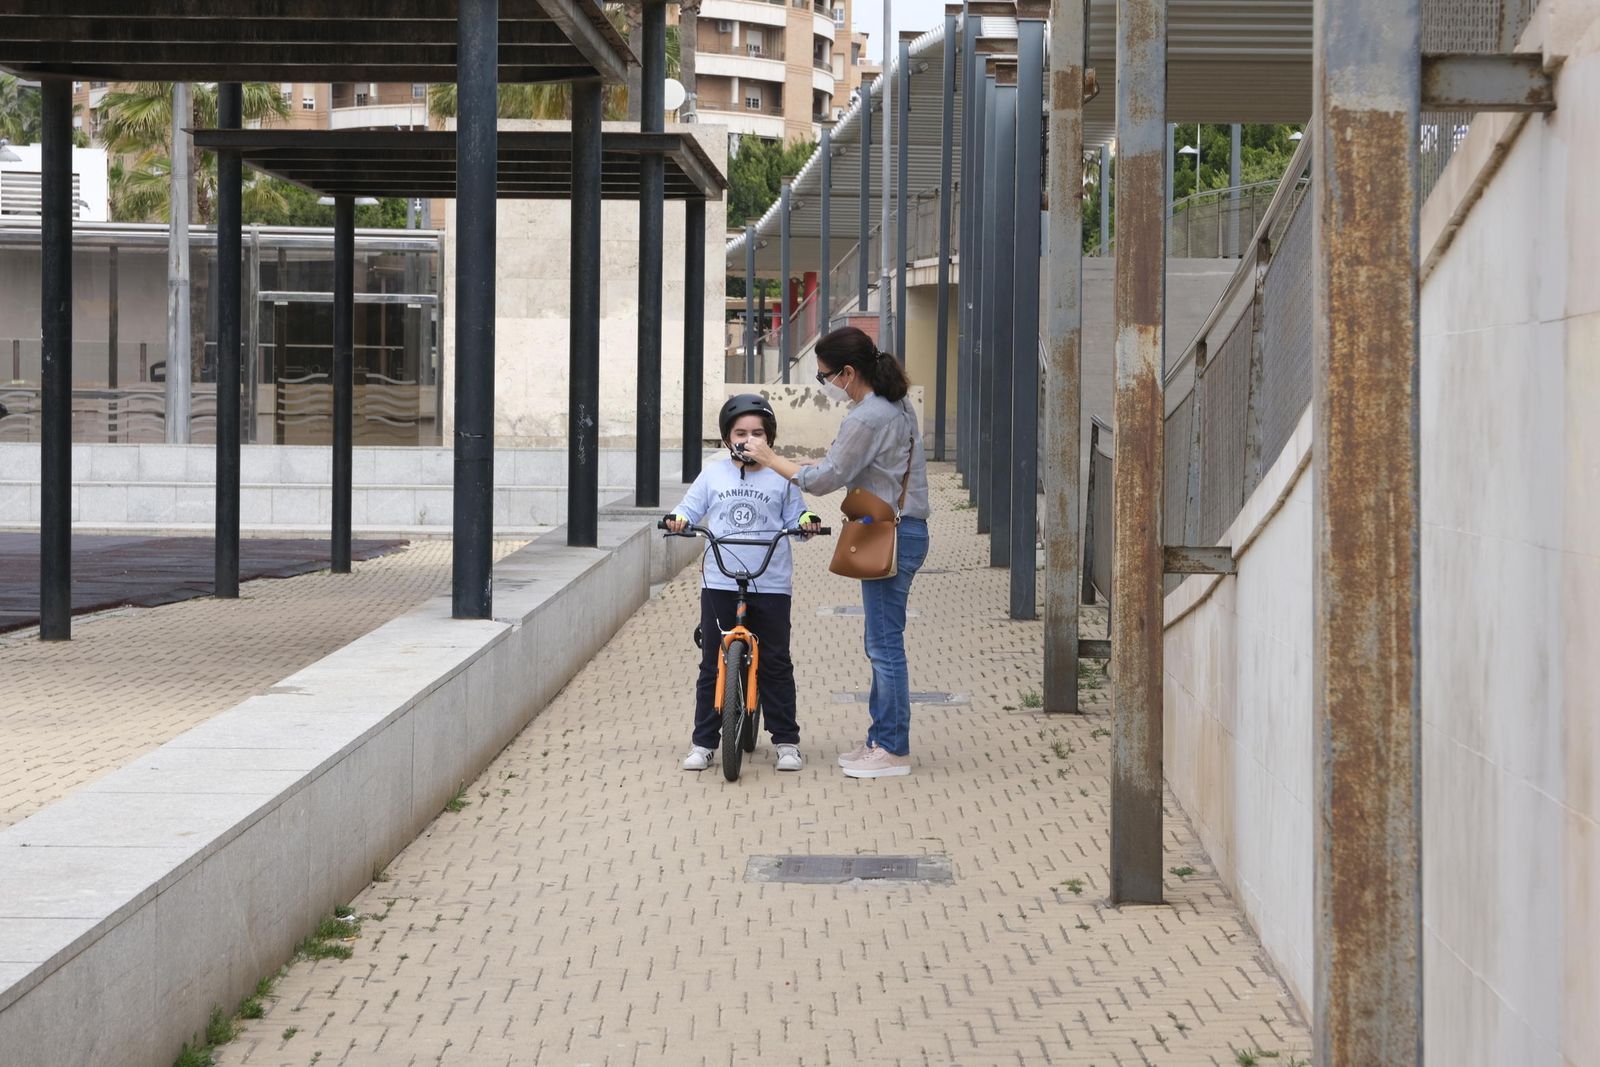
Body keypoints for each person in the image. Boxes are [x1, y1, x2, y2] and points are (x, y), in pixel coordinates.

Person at [742, 327, 931, 780]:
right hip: (901, 529)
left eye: (827, 378)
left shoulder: (868, 416)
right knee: (881, 643)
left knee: (884, 646)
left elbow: (824, 482)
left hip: (889, 535)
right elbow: (844, 467)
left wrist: (770, 459)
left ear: (849, 373)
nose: (829, 387)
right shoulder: (897, 404)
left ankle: (892, 748)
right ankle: (880, 737)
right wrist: (804, 464)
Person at [668, 393, 821, 773]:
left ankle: (786, 741)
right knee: (711, 664)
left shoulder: (781, 475)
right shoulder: (713, 474)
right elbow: (689, 507)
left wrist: (807, 523)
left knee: (775, 662)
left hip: (769, 582)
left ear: (769, 437)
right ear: (726, 438)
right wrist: (678, 519)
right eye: (740, 432)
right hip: (720, 579)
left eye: (757, 432)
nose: (749, 439)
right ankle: (703, 743)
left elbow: (798, 515)